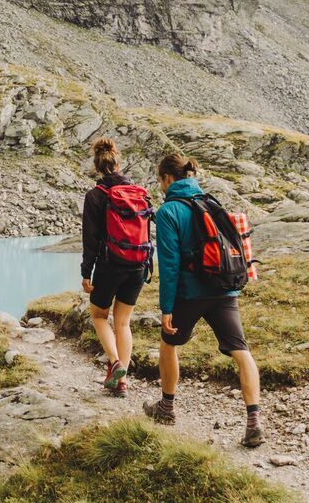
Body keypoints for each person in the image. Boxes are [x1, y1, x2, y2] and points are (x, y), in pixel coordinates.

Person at [147, 152, 265, 448]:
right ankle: (254, 422)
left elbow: (170, 266)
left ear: (167, 179)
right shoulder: (211, 203)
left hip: (190, 293)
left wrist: (167, 308)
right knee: (241, 350)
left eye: (160, 181)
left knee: (169, 343)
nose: (160, 187)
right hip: (225, 289)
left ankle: (166, 408)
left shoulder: (169, 211)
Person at [77, 136, 154, 397]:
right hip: (138, 265)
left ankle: (115, 362)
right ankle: (122, 381)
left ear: (97, 165)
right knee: (123, 323)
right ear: (118, 162)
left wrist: (86, 272)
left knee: (99, 316)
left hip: (110, 265)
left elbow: (90, 239)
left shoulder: (96, 195)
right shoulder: (139, 193)